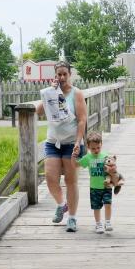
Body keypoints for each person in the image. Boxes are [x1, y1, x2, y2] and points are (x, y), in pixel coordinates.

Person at [37, 60, 87, 232]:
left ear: (70, 75)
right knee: (51, 178)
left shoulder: (76, 94)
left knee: (70, 180)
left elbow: (81, 120)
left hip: (71, 142)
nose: (62, 77)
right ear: (55, 75)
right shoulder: (51, 92)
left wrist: (78, 142)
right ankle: (61, 204)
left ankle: (72, 218)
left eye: (65, 74)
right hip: (53, 141)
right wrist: (51, 93)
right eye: (59, 74)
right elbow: (39, 111)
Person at [76, 132, 114, 234]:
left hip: (107, 186)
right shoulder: (88, 158)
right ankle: (98, 224)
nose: (96, 150)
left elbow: (112, 169)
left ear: (101, 144)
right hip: (94, 187)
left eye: (98, 148)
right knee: (96, 207)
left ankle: (108, 222)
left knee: (108, 204)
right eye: (93, 149)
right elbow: (76, 165)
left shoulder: (106, 156)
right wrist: (74, 155)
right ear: (88, 147)